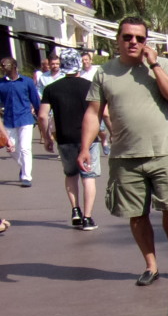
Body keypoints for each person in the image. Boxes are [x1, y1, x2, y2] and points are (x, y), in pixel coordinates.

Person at [80, 17, 168, 286]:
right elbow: (93, 112)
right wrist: (85, 147)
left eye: (139, 38)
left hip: (163, 152)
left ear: (146, 42)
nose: (133, 42)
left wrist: (153, 65)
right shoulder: (104, 72)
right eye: (128, 37)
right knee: (136, 213)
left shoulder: (160, 65)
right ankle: (150, 265)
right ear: (118, 40)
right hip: (125, 155)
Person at [39, 52, 99, 230]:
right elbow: (102, 112)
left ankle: (75, 210)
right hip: (89, 139)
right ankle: (87, 218)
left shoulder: (52, 88)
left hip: (64, 138)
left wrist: (47, 137)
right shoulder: (90, 86)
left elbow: (42, 115)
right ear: (79, 64)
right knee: (88, 177)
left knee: (70, 175)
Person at [0, 55, 42, 186]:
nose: (2, 67)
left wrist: (40, 116)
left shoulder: (27, 81)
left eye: (5, 65)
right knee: (12, 148)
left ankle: (26, 177)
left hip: (25, 119)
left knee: (25, 148)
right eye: (1, 65)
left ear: (14, 66)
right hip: (8, 120)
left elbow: (35, 100)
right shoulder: (1, 83)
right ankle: (24, 167)